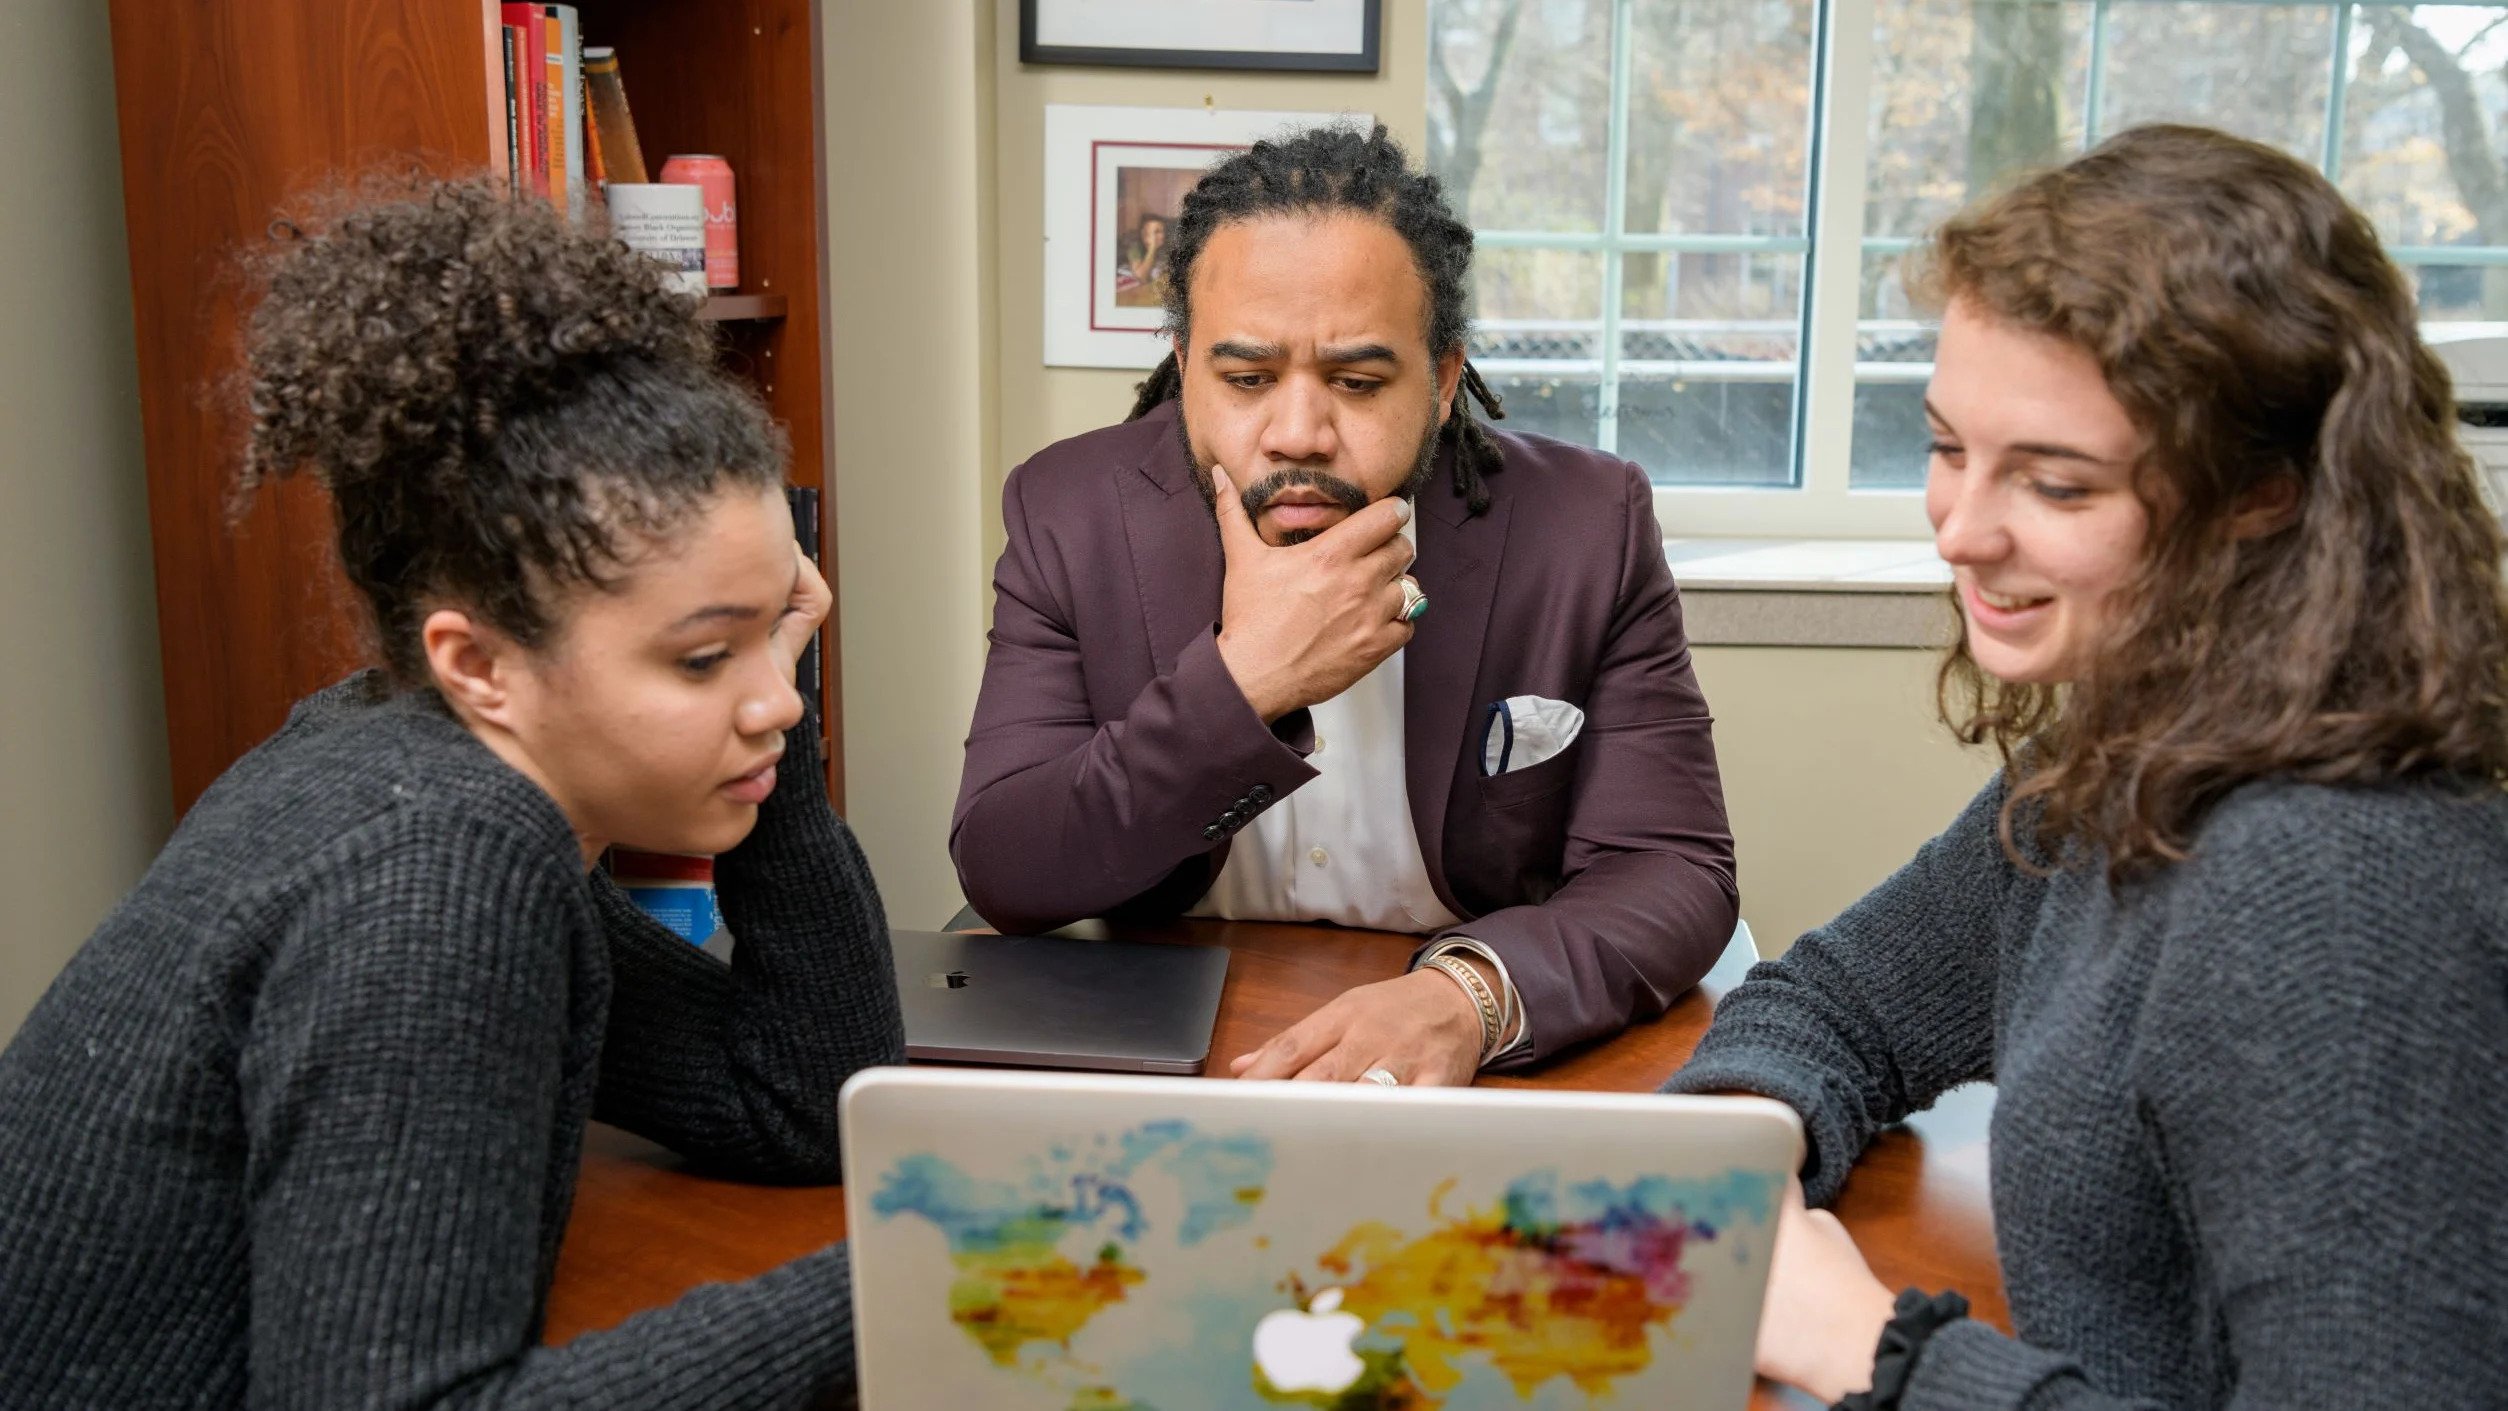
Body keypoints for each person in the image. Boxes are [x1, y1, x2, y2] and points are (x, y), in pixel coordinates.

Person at [0, 181, 905, 1407]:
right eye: (700, 655)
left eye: (775, 633)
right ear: (477, 660)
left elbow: (799, 1096)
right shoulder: (434, 863)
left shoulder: (432, 757)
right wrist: (925, 1274)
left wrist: (752, 729)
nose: (780, 698)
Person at [1662, 124, 2508, 1408]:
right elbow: (1842, 998)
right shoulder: (2123, 752)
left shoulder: (2334, 894)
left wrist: (1879, 1354)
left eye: (2053, 484)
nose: (1957, 526)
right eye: (1947, 447)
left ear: (2262, 493)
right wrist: (1732, 1153)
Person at [953, 123, 1736, 1087]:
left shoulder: (1587, 526)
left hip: (1464, 1073)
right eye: (1245, 379)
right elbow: (1005, 863)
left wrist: (1472, 997)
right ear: (1186, 368)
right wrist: (1246, 684)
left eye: (1358, 382)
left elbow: (1675, 868)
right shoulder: (1067, 513)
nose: (1297, 433)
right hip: (1159, 1054)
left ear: (1444, 381)